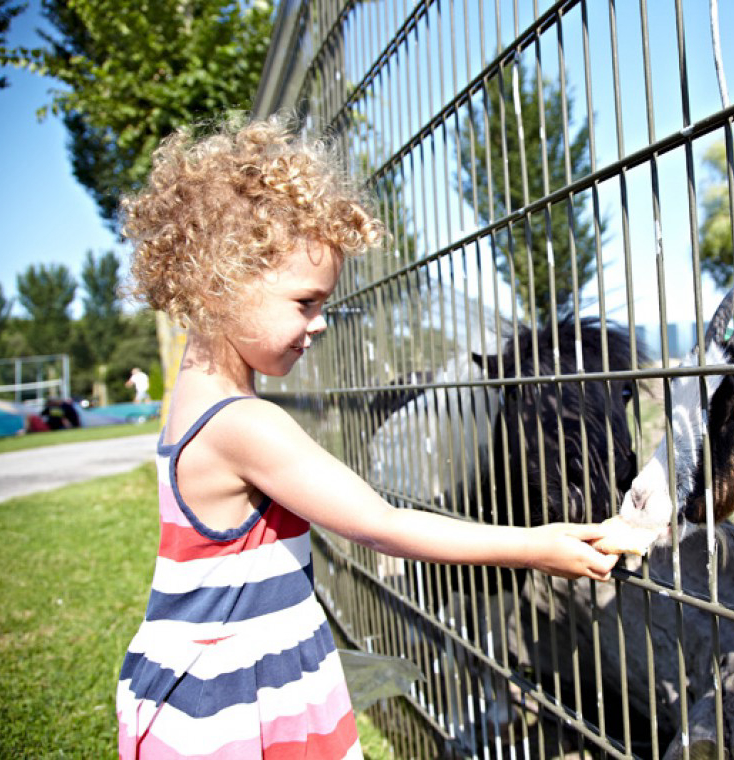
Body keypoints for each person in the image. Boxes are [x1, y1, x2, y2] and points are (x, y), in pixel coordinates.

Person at [115, 114, 620, 759]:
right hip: (233, 702)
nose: (321, 324)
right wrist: (535, 545)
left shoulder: (191, 399)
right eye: (306, 302)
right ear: (221, 284)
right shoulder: (246, 424)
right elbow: (382, 524)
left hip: (200, 675)